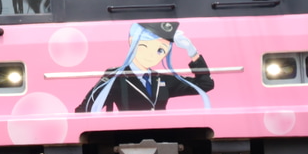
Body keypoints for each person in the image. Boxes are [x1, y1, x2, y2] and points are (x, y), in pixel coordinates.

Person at [76, 21, 214, 112]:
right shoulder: (116, 77)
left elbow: (204, 84)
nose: (152, 55)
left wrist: (192, 52)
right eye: (144, 46)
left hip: (164, 137)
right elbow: (84, 110)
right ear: (132, 42)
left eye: (160, 50)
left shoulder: (162, 80)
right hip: (126, 137)